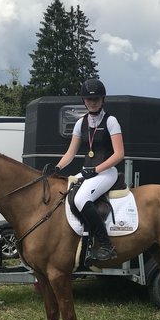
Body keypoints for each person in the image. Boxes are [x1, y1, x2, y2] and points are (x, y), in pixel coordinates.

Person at [43, 78, 125, 262]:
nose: (92, 102)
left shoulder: (111, 121)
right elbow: (71, 152)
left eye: (96, 99)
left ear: (102, 99)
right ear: (83, 101)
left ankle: (106, 245)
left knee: (80, 198)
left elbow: (119, 154)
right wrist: (57, 167)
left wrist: (96, 169)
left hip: (106, 171)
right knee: (63, 194)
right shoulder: (81, 123)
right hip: (88, 171)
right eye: (88, 99)